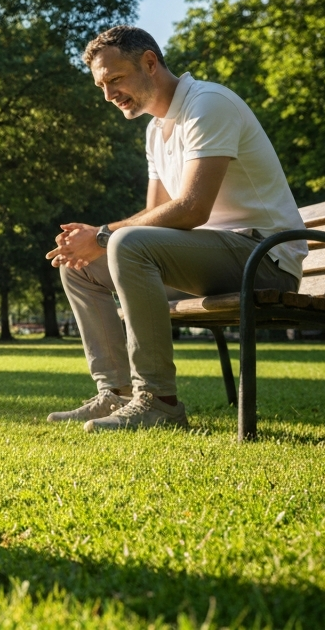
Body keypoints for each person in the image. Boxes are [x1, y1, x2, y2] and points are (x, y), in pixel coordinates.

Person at [46, 26, 305, 431]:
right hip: (207, 261)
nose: (108, 95)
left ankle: (159, 401)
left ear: (150, 62)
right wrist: (97, 247)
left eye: (115, 80)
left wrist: (100, 235)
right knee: (79, 267)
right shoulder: (156, 130)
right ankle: (117, 393)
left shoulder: (208, 104)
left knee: (120, 244)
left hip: (262, 258)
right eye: (101, 85)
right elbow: (157, 215)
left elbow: (191, 209)